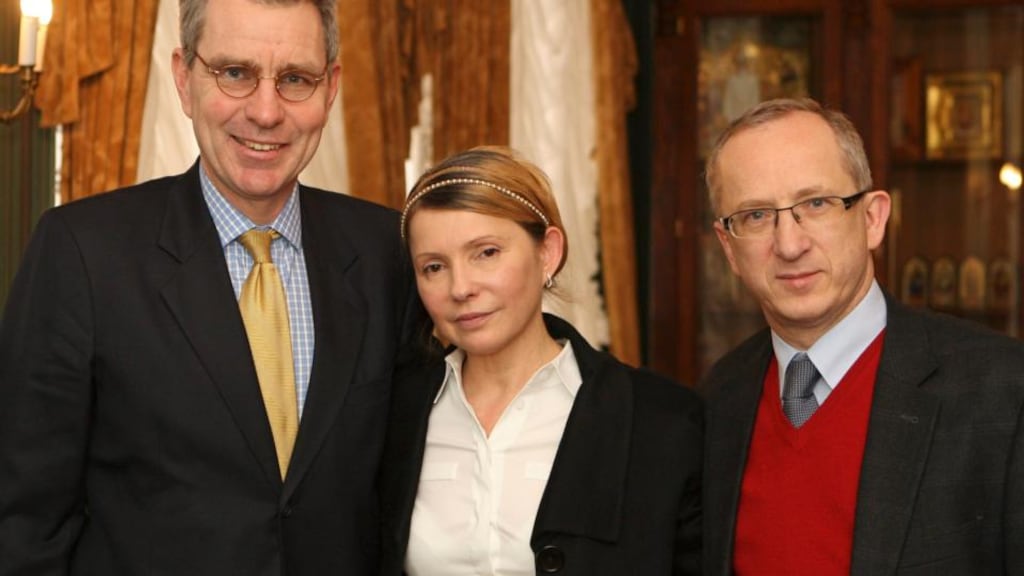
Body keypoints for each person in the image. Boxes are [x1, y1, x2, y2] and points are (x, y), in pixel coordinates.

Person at [0, 0, 419, 574]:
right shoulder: (83, 252)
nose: (266, 112)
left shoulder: (386, 251)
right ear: (184, 78)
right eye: (236, 73)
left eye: (295, 79)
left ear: (332, 87)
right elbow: (24, 519)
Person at [700, 97, 1024, 574]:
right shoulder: (720, 397)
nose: (789, 244)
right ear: (728, 248)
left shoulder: (1002, 391)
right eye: (755, 216)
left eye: (816, 204)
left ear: (873, 219)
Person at [378, 146, 704, 576]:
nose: (460, 287)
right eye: (434, 267)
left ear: (547, 252)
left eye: (486, 252)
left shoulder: (662, 422)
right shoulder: (391, 415)